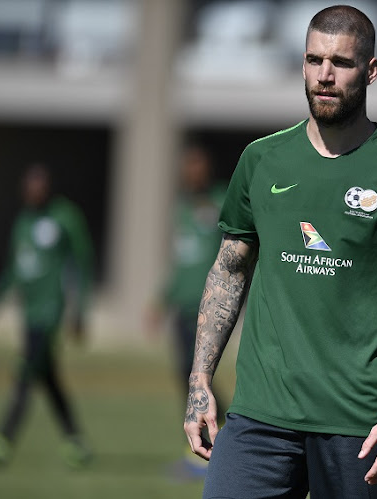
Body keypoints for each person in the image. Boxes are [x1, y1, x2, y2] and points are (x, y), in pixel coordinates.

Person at [183, 5, 377, 498]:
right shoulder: (262, 159)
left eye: (341, 63)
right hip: (260, 415)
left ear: (370, 71)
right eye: (314, 60)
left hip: (359, 424)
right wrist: (200, 380)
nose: (325, 75)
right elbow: (229, 271)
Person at [0, 163, 94, 468]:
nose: (34, 191)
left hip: (52, 313)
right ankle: (75, 441)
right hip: (30, 312)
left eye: (39, 184)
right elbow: (15, 267)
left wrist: (80, 311)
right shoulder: (23, 221)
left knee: (25, 370)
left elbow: (83, 262)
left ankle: (2, 439)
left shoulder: (65, 217)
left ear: (48, 186)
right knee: (48, 378)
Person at [146, 144, 227, 479]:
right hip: (182, 306)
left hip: (210, 306)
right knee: (186, 374)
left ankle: (213, 445)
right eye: (187, 166)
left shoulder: (222, 200)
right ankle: (210, 441)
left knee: (197, 374)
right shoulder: (181, 207)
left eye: (197, 166)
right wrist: (161, 301)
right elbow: (180, 264)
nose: (191, 172)